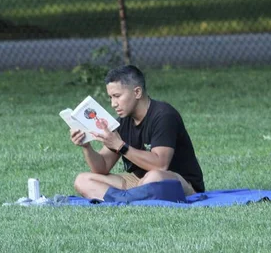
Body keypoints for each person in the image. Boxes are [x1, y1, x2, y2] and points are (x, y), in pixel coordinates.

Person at [70, 65, 205, 200]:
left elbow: (160, 165)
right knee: (82, 180)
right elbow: (102, 168)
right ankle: (130, 199)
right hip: (139, 182)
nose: (113, 104)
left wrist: (120, 146)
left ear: (137, 92)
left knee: (154, 177)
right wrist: (86, 146)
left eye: (117, 96)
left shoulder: (164, 115)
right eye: (110, 97)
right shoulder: (123, 122)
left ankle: (122, 199)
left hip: (178, 181)